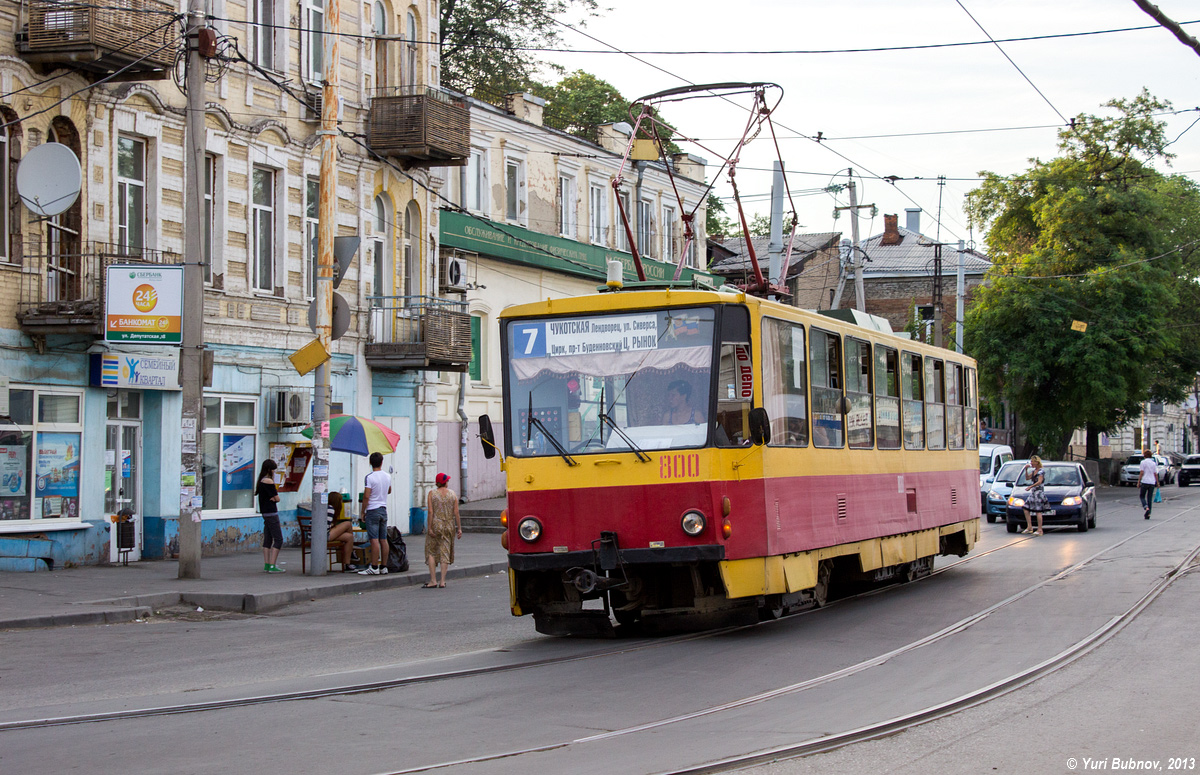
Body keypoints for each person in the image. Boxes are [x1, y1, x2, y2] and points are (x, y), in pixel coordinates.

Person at [423, 472, 462, 588]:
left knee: (431, 551)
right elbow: (456, 512)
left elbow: (430, 512)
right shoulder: (452, 494)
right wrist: (459, 528)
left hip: (436, 523)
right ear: (445, 482)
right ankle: (442, 581)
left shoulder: (432, 494)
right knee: (445, 551)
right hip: (448, 524)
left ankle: (433, 580)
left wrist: (429, 527)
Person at [358, 452, 393, 575]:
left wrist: (363, 511)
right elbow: (389, 490)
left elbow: (366, 496)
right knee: (383, 539)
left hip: (372, 510)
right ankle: (384, 566)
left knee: (374, 539)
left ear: (370, 463)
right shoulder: (387, 476)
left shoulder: (370, 477)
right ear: (382, 462)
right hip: (383, 509)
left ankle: (374, 567)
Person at [255, 459, 285, 572]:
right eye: (273, 470)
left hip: (265, 513)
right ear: (269, 469)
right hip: (272, 513)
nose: (274, 472)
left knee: (268, 539)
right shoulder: (269, 481)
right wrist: (274, 498)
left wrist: (273, 498)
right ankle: (272, 565)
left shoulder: (261, 480)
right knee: (278, 539)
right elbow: (277, 498)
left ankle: (267, 564)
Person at [326, 491, 359, 572]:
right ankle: (351, 552)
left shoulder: (327, 508)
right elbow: (328, 527)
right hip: (324, 535)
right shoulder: (330, 509)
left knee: (349, 537)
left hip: (322, 534)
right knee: (348, 524)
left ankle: (347, 564)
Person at [1021, 455, 1048, 536]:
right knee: (1026, 508)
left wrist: (1030, 486)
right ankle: (1029, 527)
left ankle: (1040, 529)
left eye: (1032, 462)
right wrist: (1026, 470)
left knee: (1038, 511)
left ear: (1036, 462)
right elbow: (1027, 478)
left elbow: (1039, 481)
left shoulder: (1041, 471)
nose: (1031, 463)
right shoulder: (1034, 471)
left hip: (1038, 493)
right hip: (1033, 493)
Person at [1139, 448, 1158, 519]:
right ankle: (1149, 514)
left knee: (1142, 496)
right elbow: (1155, 474)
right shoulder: (1153, 463)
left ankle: (1146, 507)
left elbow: (1141, 472)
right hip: (1152, 482)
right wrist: (1157, 483)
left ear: (1144, 455)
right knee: (1149, 498)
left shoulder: (1143, 462)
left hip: (1144, 481)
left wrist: (1138, 481)